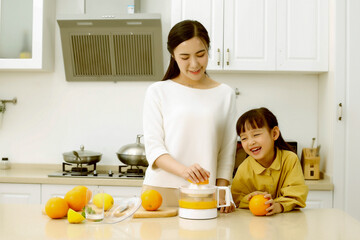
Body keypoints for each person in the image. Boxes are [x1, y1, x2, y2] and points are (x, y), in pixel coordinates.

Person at [142, 20, 237, 213]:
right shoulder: (158, 91)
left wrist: (222, 189)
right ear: (173, 56)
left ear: (208, 50)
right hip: (161, 191)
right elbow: (154, 150)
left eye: (200, 55)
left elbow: (227, 151)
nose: (194, 64)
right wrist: (185, 172)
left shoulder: (225, 94)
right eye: (184, 57)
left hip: (205, 192)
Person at [231, 107, 308, 215]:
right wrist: (250, 198)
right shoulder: (244, 168)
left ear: (274, 134)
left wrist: (278, 206)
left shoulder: (290, 159)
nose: (250, 142)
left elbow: (296, 193)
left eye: (256, 135)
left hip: (286, 224)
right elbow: (237, 199)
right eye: (244, 138)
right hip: (255, 226)